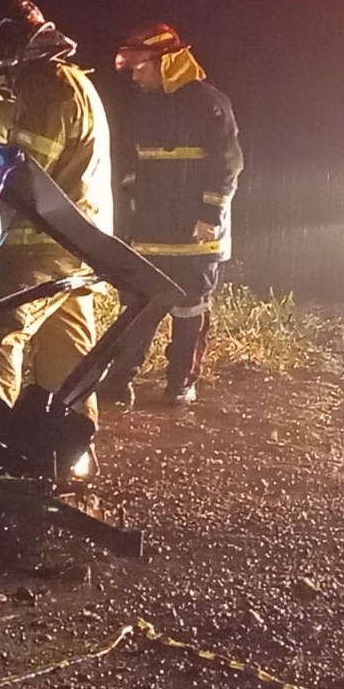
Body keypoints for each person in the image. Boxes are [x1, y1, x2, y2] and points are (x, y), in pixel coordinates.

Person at [0, 0, 114, 457]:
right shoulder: (67, 82)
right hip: (79, 247)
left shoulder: (44, 83)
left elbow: (23, 167)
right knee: (68, 356)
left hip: (42, 248)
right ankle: (69, 453)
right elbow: (12, 122)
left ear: (6, 49)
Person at [100, 23, 243, 407]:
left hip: (196, 235)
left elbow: (228, 163)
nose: (134, 75)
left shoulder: (209, 103)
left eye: (139, 67)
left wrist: (210, 213)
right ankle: (117, 383)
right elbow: (131, 169)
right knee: (137, 307)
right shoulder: (144, 106)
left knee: (189, 311)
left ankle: (179, 385)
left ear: (167, 62)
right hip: (149, 233)